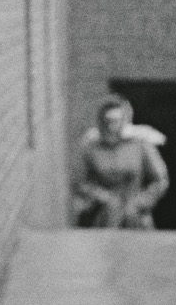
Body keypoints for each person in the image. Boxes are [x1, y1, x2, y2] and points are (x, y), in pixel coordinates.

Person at [72, 95, 170, 228]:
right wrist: (101, 196)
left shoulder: (140, 144)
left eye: (116, 121)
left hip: (135, 211)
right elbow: (80, 181)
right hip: (104, 213)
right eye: (107, 121)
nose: (111, 127)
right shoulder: (91, 147)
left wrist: (142, 201)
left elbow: (160, 180)